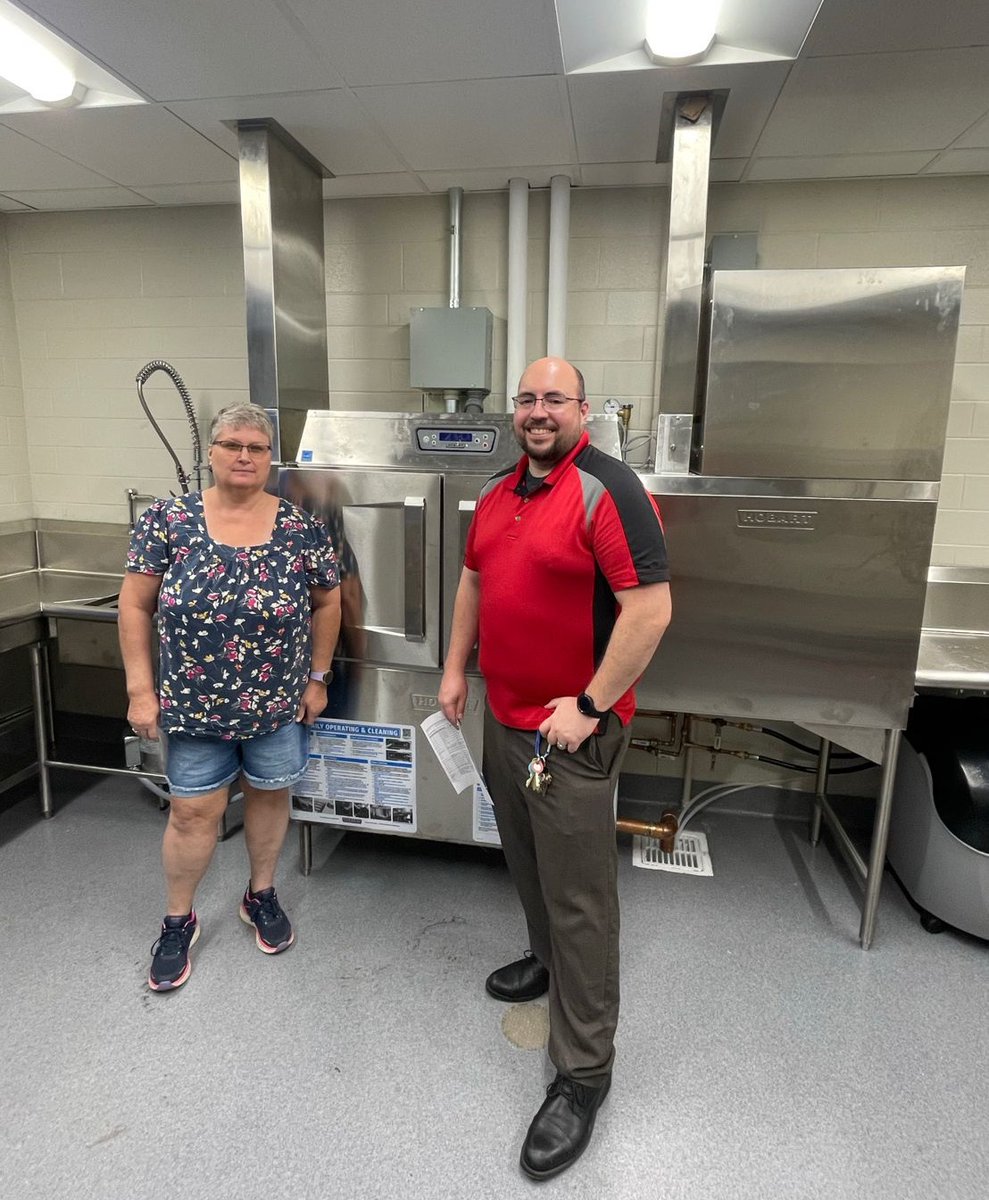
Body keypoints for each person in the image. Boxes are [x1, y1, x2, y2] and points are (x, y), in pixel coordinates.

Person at [438, 357, 671, 1180]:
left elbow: (649, 610)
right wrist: (455, 667)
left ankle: (582, 1075)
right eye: (527, 399)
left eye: (554, 400)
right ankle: (545, 962)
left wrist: (592, 704)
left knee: (581, 902)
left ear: (581, 408)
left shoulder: (609, 490)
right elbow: (473, 582)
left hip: (570, 736)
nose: (539, 412)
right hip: (504, 720)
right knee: (528, 862)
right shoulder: (499, 491)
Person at [118, 402, 341, 992]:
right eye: (232, 445)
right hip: (193, 707)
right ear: (211, 453)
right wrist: (140, 689)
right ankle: (178, 920)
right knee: (192, 813)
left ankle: (260, 894)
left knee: (269, 797)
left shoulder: (300, 527)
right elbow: (134, 604)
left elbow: (327, 601)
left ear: (270, 458)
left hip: (278, 704)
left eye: (257, 448)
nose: (244, 456)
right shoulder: (168, 521)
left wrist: (318, 678)